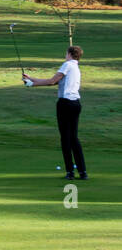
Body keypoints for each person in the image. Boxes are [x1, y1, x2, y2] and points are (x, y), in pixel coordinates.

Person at [24, 46, 86, 180]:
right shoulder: (75, 67)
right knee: (74, 138)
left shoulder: (67, 65)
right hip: (76, 103)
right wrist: (32, 79)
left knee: (65, 138)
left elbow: (52, 81)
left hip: (65, 104)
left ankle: (70, 172)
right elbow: (53, 82)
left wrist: (31, 85)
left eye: (66, 53)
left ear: (69, 54)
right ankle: (82, 172)